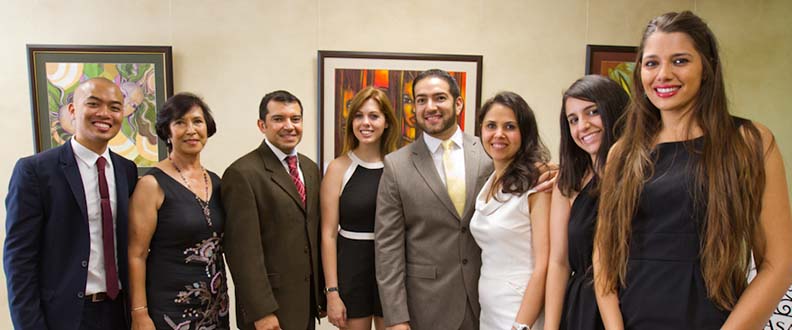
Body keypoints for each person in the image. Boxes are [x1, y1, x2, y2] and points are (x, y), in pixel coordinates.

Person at [593, 11, 792, 330]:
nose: (663, 75)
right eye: (652, 63)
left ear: (707, 68)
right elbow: (604, 259)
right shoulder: (623, 153)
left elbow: (778, 263)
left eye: (680, 61)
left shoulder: (749, 142)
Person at [4, 77, 138, 330]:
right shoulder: (35, 171)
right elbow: (19, 260)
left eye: (114, 107)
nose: (104, 114)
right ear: (73, 110)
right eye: (94, 104)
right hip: (65, 316)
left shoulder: (127, 170)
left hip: (120, 312)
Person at [374, 69, 494, 330]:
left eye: (439, 98)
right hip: (426, 307)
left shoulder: (488, 154)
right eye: (421, 100)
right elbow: (388, 249)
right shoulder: (396, 166)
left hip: (485, 303)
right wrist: (396, 319)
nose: (430, 107)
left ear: (458, 103)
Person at [222, 90, 324, 330]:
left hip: (305, 303)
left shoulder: (310, 168)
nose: (289, 126)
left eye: (295, 119)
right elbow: (242, 253)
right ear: (262, 125)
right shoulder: (242, 173)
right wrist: (262, 312)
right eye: (279, 119)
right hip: (270, 311)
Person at [128, 93, 229, 329]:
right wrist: (139, 314)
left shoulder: (216, 181)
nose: (191, 129)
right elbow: (136, 254)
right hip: (170, 309)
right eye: (180, 122)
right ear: (167, 132)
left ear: (208, 128)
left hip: (215, 306)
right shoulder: (151, 184)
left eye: (197, 121)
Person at [544, 75, 628, 330]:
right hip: (583, 308)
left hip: (635, 301)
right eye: (573, 120)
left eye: (592, 112)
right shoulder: (568, 183)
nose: (583, 126)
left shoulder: (641, 177)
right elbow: (559, 262)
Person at [471, 91, 551, 330]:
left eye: (509, 126)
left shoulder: (539, 182)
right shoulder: (490, 180)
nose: (498, 134)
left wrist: (521, 326)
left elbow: (544, 265)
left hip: (520, 313)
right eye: (491, 126)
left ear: (524, 133)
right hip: (489, 311)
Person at [321, 87, 399, 330]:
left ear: (386, 122)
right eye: (358, 115)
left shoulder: (400, 167)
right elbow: (328, 234)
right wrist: (332, 292)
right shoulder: (337, 168)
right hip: (352, 269)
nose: (365, 123)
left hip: (393, 269)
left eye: (374, 116)